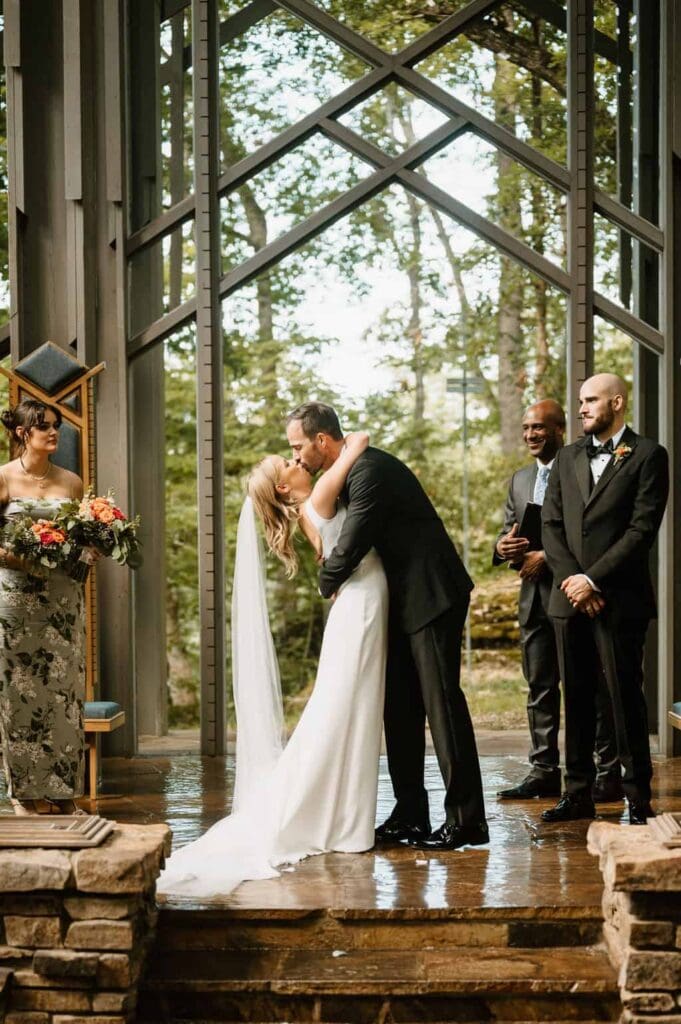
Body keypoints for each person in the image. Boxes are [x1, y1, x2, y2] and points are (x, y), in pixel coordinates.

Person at [158, 431, 388, 897]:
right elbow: (357, 444)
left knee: (346, 708)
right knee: (342, 710)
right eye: (286, 460)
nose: (294, 458)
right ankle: (337, 818)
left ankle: (344, 817)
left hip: (359, 605)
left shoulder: (311, 506)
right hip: (360, 606)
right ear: (283, 488)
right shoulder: (319, 495)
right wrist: (348, 444)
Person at [287, 402, 487, 851]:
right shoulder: (348, 471)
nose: (297, 457)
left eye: (299, 446)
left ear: (323, 440)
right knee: (399, 712)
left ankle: (466, 820)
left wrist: (325, 583)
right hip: (398, 606)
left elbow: (355, 537)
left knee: (442, 709)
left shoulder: (370, 470)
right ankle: (410, 815)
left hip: (431, 596)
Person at [540, 373, 669, 826]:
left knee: (624, 698)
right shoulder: (566, 457)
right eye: (580, 401)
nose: (582, 409)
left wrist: (593, 580)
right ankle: (576, 793)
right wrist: (573, 580)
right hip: (568, 600)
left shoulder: (649, 456)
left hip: (619, 598)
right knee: (574, 698)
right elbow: (550, 525)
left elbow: (642, 530)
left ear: (617, 402)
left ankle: (637, 796)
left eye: (591, 400)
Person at [494, 400, 620, 802]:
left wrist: (546, 557)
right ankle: (543, 770)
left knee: (592, 686)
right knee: (540, 687)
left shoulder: (581, 469)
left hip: (574, 596)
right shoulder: (519, 478)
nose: (531, 434)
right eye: (527, 427)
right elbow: (509, 529)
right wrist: (503, 547)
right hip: (533, 599)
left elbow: (593, 532)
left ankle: (605, 771)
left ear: (561, 429)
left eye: (540, 428)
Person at [0, 399, 86, 815]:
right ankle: (26, 794)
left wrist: (93, 550)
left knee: (63, 693)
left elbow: (85, 539)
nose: (54, 433)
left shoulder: (71, 482)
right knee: (19, 693)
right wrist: (14, 557)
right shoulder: (2, 479)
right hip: (15, 601)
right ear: (22, 433)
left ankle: (63, 792)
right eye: (44, 426)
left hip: (62, 601)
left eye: (56, 426)